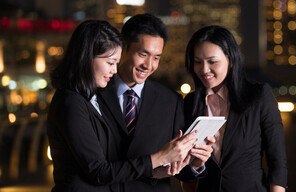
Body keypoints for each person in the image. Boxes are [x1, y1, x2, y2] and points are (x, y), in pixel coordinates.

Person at [47, 19, 195, 192]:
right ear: (87, 57)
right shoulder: (71, 101)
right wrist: (160, 157)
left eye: (156, 57)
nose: (114, 70)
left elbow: (112, 166)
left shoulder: (89, 97)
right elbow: (99, 170)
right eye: (110, 63)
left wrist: (156, 172)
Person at [97, 13, 215, 192]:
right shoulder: (95, 92)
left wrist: (196, 164)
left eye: (156, 58)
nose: (149, 65)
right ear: (123, 47)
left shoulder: (171, 101)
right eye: (143, 54)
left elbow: (180, 171)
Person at [183, 25, 288, 192]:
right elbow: (184, 171)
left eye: (212, 62)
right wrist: (195, 167)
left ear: (231, 61)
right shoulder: (190, 102)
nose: (204, 70)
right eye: (197, 62)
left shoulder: (259, 96)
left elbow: (277, 162)